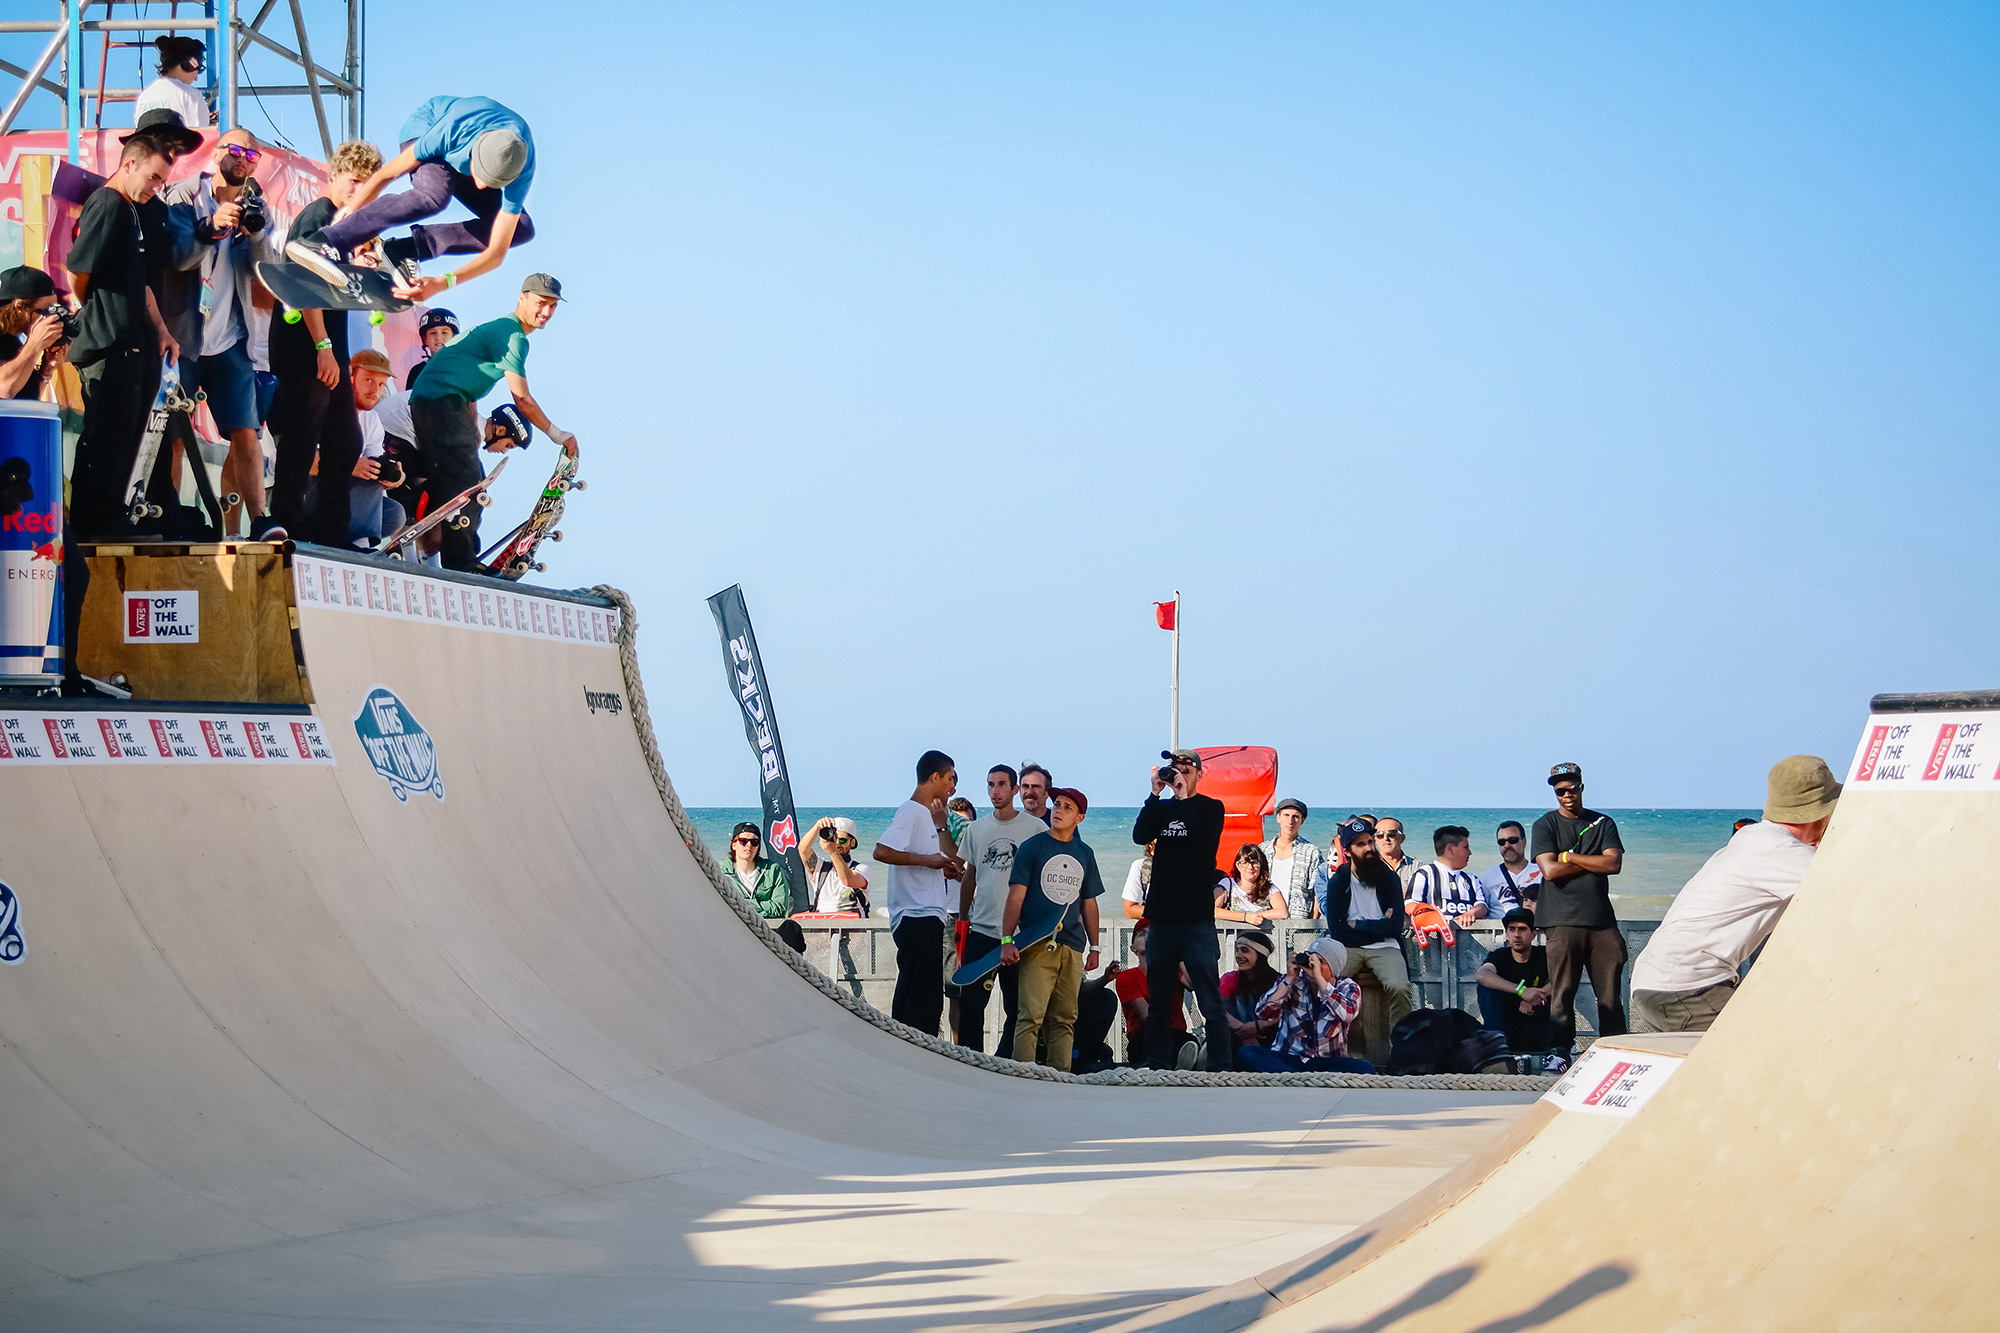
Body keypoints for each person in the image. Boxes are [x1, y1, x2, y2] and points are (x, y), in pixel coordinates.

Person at [1630, 757, 1838, 1034]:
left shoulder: (1753, 839)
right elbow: (1850, 886)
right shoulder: (1781, 851)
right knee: (1769, 1048)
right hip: (1688, 987)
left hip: (1655, 982)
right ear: (1820, 812)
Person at [160, 128, 286, 537]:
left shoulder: (256, 206)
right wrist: (211, 226)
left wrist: (258, 233)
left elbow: (264, 272)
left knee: (245, 431)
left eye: (253, 154)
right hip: (183, 335)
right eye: (235, 150)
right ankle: (171, 514)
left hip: (231, 337)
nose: (245, 159)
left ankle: (260, 520)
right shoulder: (182, 196)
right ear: (216, 154)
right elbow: (178, 258)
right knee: (175, 433)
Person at [407, 273, 579, 570]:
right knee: (469, 485)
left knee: (464, 480)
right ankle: (462, 563)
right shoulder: (513, 336)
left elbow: (465, 373)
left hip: (444, 402)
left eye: (552, 306)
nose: (547, 312)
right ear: (521, 298)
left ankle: (455, 553)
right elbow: (522, 400)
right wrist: (557, 434)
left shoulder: (503, 330)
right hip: (440, 402)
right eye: (541, 303)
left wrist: (473, 423)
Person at [301, 95, 537, 299]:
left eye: (493, 183)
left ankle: (400, 251)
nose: (481, 185)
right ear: (474, 153)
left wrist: (444, 283)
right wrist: (352, 216)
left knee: (521, 228)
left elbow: (497, 252)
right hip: (427, 128)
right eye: (481, 174)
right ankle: (325, 242)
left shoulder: (521, 168)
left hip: (473, 153)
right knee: (433, 196)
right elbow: (387, 174)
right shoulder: (452, 129)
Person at [64, 135, 179, 555]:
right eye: (152, 177)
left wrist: (163, 331)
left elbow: (141, 283)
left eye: (162, 181)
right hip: (107, 343)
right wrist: (99, 314)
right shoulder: (108, 204)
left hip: (135, 343)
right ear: (128, 165)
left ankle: (116, 515)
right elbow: (79, 271)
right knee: (104, 434)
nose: (155, 187)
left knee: (129, 433)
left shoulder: (133, 211)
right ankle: (93, 522)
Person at [268, 139, 382, 546]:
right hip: (305, 346)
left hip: (327, 345)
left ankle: (331, 531)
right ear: (333, 177)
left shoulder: (346, 225)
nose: (358, 191)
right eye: (353, 182)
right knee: (302, 437)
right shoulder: (318, 216)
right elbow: (303, 285)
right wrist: (323, 347)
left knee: (346, 441)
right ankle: (285, 521)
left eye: (367, 186)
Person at [1131, 749, 1231, 1071]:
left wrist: (1185, 798)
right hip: (1161, 921)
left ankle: (1220, 1068)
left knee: (1210, 1002)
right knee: (1160, 1002)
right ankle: (1158, 1066)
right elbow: (1139, 835)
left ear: (1199, 774)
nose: (1180, 774)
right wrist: (1154, 794)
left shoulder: (1211, 809)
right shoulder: (1161, 809)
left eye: (1187, 770)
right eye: (1176, 769)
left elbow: (1203, 842)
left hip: (1197, 921)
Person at [1000, 788, 1104, 1071]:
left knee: (1065, 1017)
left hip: (1072, 944)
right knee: (1030, 1016)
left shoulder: (1084, 853)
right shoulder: (1032, 848)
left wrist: (1095, 946)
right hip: (1037, 942)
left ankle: (1062, 1079)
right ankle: (1022, 1076)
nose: (1058, 810)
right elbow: (1015, 897)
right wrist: (1007, 939)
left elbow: (1089, 902)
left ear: (1079, 818)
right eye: (1056, 804)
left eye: (1067, 807)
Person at [1531, 763, 1629, 1050]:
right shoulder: (1545, 825)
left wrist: (1571, 858)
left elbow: (1613, 864)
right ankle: (1559, 1052)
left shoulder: (1603, 823)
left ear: (1581, 787)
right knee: (1562, 994)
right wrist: (1593, 861)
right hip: (1561, 921)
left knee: (1610, 997)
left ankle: (1615, 1050)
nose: (1566, 794)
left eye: (1571, 788)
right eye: (1560, 790)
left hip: (1601, 921)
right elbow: (1549, 871)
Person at [873, 750, 964, 1037]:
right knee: (920, 997)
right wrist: (930, 862)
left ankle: (913, 1046)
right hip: (916, 914)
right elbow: (882, 851)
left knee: (926, 994)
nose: (953, 787)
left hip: (926, 914)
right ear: (934, 777)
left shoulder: (926, 816)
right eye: (950, 779)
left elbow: (929, 857)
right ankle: (910, 1048)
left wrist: (940, 868)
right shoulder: (911, 810)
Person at [957, 766, 1038, 1054]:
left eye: (1002, 784)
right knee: (970, 1003)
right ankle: (970, 1059)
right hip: (981, 929)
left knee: (1017, 1006)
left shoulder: (1035, 829)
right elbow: (970, 875)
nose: (995, 791)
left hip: (1020, 934)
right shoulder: (976, 829)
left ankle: (1005, 1062)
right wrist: (963, 918)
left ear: (1015, 789)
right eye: (990, 785)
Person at [1321, 817, 1413, 1066]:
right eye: (1361, 844)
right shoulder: (1338, 881)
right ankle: (1328, 1052)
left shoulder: (1389, 878)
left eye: (1370, 841)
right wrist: (1376, 926)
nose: (1370, 848)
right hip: (1347, 948)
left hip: (1385, 947)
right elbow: (1338, 931)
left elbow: (1394, 927)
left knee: (1400, 987)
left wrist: (1357, 926)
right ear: (1348, 851)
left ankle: (1403, 1055)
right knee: (1327, 988)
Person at [1235, 937, 1375, 1074]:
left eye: (1321, 963)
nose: (1314, 967)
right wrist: (1289, 979)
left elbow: (1347, 1014)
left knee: (1365, 1068)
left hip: (1326, 1062)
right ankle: (1304, 1079)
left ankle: (1290, 1078)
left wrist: (1321, 982)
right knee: (1246, 1053)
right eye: (1312, 960)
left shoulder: (1347, 987)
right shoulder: (1293, 982)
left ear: (1333, 969)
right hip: (1290, 1058)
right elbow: (1262, 1013)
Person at [1475, 908, 1557, 1055]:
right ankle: (1497, 1049)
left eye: (1522, 929)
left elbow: (1565, 977)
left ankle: (1556, 1052)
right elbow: (1482, 975)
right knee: (1485, 988)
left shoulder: (1544, 955)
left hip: (1538, 1025)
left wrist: (1535, 996)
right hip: (1506, 1025)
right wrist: (1522, 991)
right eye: (1512, 929)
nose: (1517, 935)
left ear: (1533, 934)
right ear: (1506, 934)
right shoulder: (1499, 956)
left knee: (1559, 985)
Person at [1113, 920, 1190, 1065]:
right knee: (1159, 1039)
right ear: (1133, 948)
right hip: (1143, 1036)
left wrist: (1178, 955)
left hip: (1176, 1033)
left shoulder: (1173, 970)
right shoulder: (1127, 977)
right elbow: (1147, 1015)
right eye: (1142, 933)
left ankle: (1186, 1060)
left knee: (1187, 1042)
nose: (1149, 936)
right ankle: (1180, 1061)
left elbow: (1193, 985)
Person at [725, 821, 804, 952]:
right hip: (733, 933)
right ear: (734, 844)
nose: (749, 845)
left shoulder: (773, 869)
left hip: (768, 936)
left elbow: (779, 908)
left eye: (754, 842)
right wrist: (763, 905)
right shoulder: (720, 871)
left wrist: (741, 904)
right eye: (743, 841)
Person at [1408, 826, 1507, 928]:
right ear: (1450, 849)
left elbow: (1483, 906)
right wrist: (1430, 914)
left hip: (1469, 941)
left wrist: (1472, 913)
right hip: (1433, 940)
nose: (1470, 852)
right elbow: (1410, 904)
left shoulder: (1472, 879)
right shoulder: (1425, 874)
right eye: (1465, 847)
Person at [0, 267, 67, 401]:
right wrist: (34, 345)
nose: (50, 317)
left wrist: (45, 372)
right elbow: (4, 390)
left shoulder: (16, 340)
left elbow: (27, 402)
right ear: (19, 306)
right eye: (46, 310)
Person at [1219, 929, 1281, 1066]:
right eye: (1237, 950)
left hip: (1267, 1038)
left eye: (1245, 950)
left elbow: (1286, 1014)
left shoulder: (1278, 981)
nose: (1238, 955)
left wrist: (1258, 1027)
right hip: (1239, 1037)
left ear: (1260, 954)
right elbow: (1218, 1008)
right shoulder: (1230, 978)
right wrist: (1246, 1030)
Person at [1263, 799, 1326, 922]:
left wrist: (1310, 924)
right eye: (1286, 815)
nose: (1290, 821)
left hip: (1298, 921)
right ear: (1278, 817)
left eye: (1295, 817)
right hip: (1265, 919)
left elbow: (1317, 892)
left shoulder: (1311, 852)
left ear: (1302, 821)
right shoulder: (1263, 850)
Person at [133, 35, 211, 132]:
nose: (196, 78)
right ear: (191, 63)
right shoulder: (190, 94)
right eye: (199, 69)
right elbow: (200, 133)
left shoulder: (144, 96)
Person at [800, 816, 869, 915]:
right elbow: (803, 850)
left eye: (842, 840)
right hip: (822, 926)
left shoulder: (862, 869)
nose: (837, 843)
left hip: (852, 928)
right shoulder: (820, 868)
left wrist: (833, 853)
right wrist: (817, 827)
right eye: (834, 839)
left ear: (852, 842)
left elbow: (848, 880)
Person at [1216, 843, 1288, 925]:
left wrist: (1256, 916)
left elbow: (1283, 912)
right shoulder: (1228, 884)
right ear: (1238, 865)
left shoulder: (1269, 888)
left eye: (1254, 863)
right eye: (1245, 863)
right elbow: (1212, 910)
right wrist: (1245, 917)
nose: (1250, 867)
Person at [1480, 820, 1543, 911]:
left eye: (1512, 840)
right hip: (1498, 924)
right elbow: (1483, 907)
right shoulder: (1489, 876)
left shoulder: (1541, 871)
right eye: (1502, 842)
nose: (1507, 845)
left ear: (1524, 842)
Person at [405, 308, 459, 389]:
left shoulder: (462, 369)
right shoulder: (417, 371)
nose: (438, 338)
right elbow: (408, 399)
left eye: (444, 332)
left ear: (454, 338)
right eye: (432, 333)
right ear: (425, 339)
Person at [1374, 817, 1419, 891]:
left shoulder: (1416, 868)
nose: (1386, 838)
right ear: (1375, 839)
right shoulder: (1367, 867)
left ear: (1402, 838)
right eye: (1380, 835)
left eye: (1391, 834)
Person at [1120, 841, 1156, 920]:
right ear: (1151, 848)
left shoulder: (1188, 867)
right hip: (1154, 928)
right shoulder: (1141, 866)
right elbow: (1129, 910)